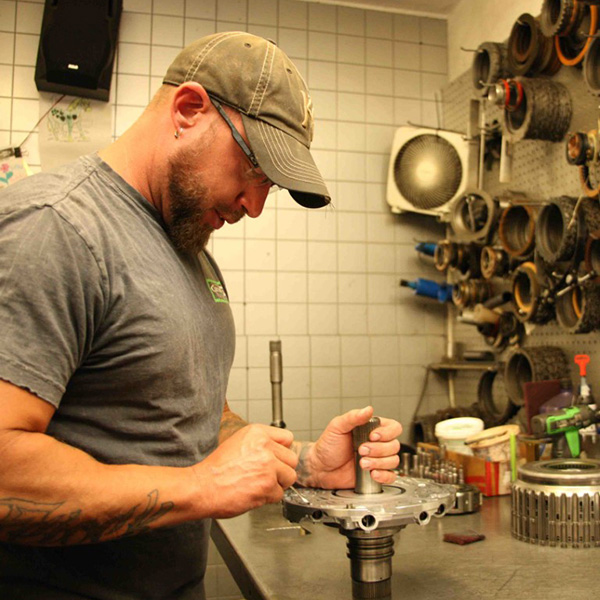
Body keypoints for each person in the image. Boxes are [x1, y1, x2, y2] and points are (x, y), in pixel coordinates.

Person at [0, 32, 402, 599]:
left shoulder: (186, 247)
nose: (255, 206)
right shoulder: (56, 228)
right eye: (255, 170)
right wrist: (197, 489)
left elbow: (185, 416)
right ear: (189, 110)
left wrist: (307, 465)